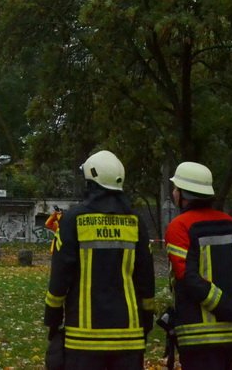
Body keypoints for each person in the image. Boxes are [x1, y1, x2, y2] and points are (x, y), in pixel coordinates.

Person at [43, 150, 154, 370]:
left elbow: (60, 278)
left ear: (91, 181)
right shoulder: (135, 222)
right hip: (129, 337)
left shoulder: (74, 220)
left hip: (83, 339)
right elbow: (146, 279)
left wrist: (52, 318)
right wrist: (147, 319)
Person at [165, 162, 232, 370]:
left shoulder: (179, 227)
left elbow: (188, 278)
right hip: (230, 333)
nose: (173, 193)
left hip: (197, 335)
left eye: (176, 188)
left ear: (185, 194)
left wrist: (226, 306)